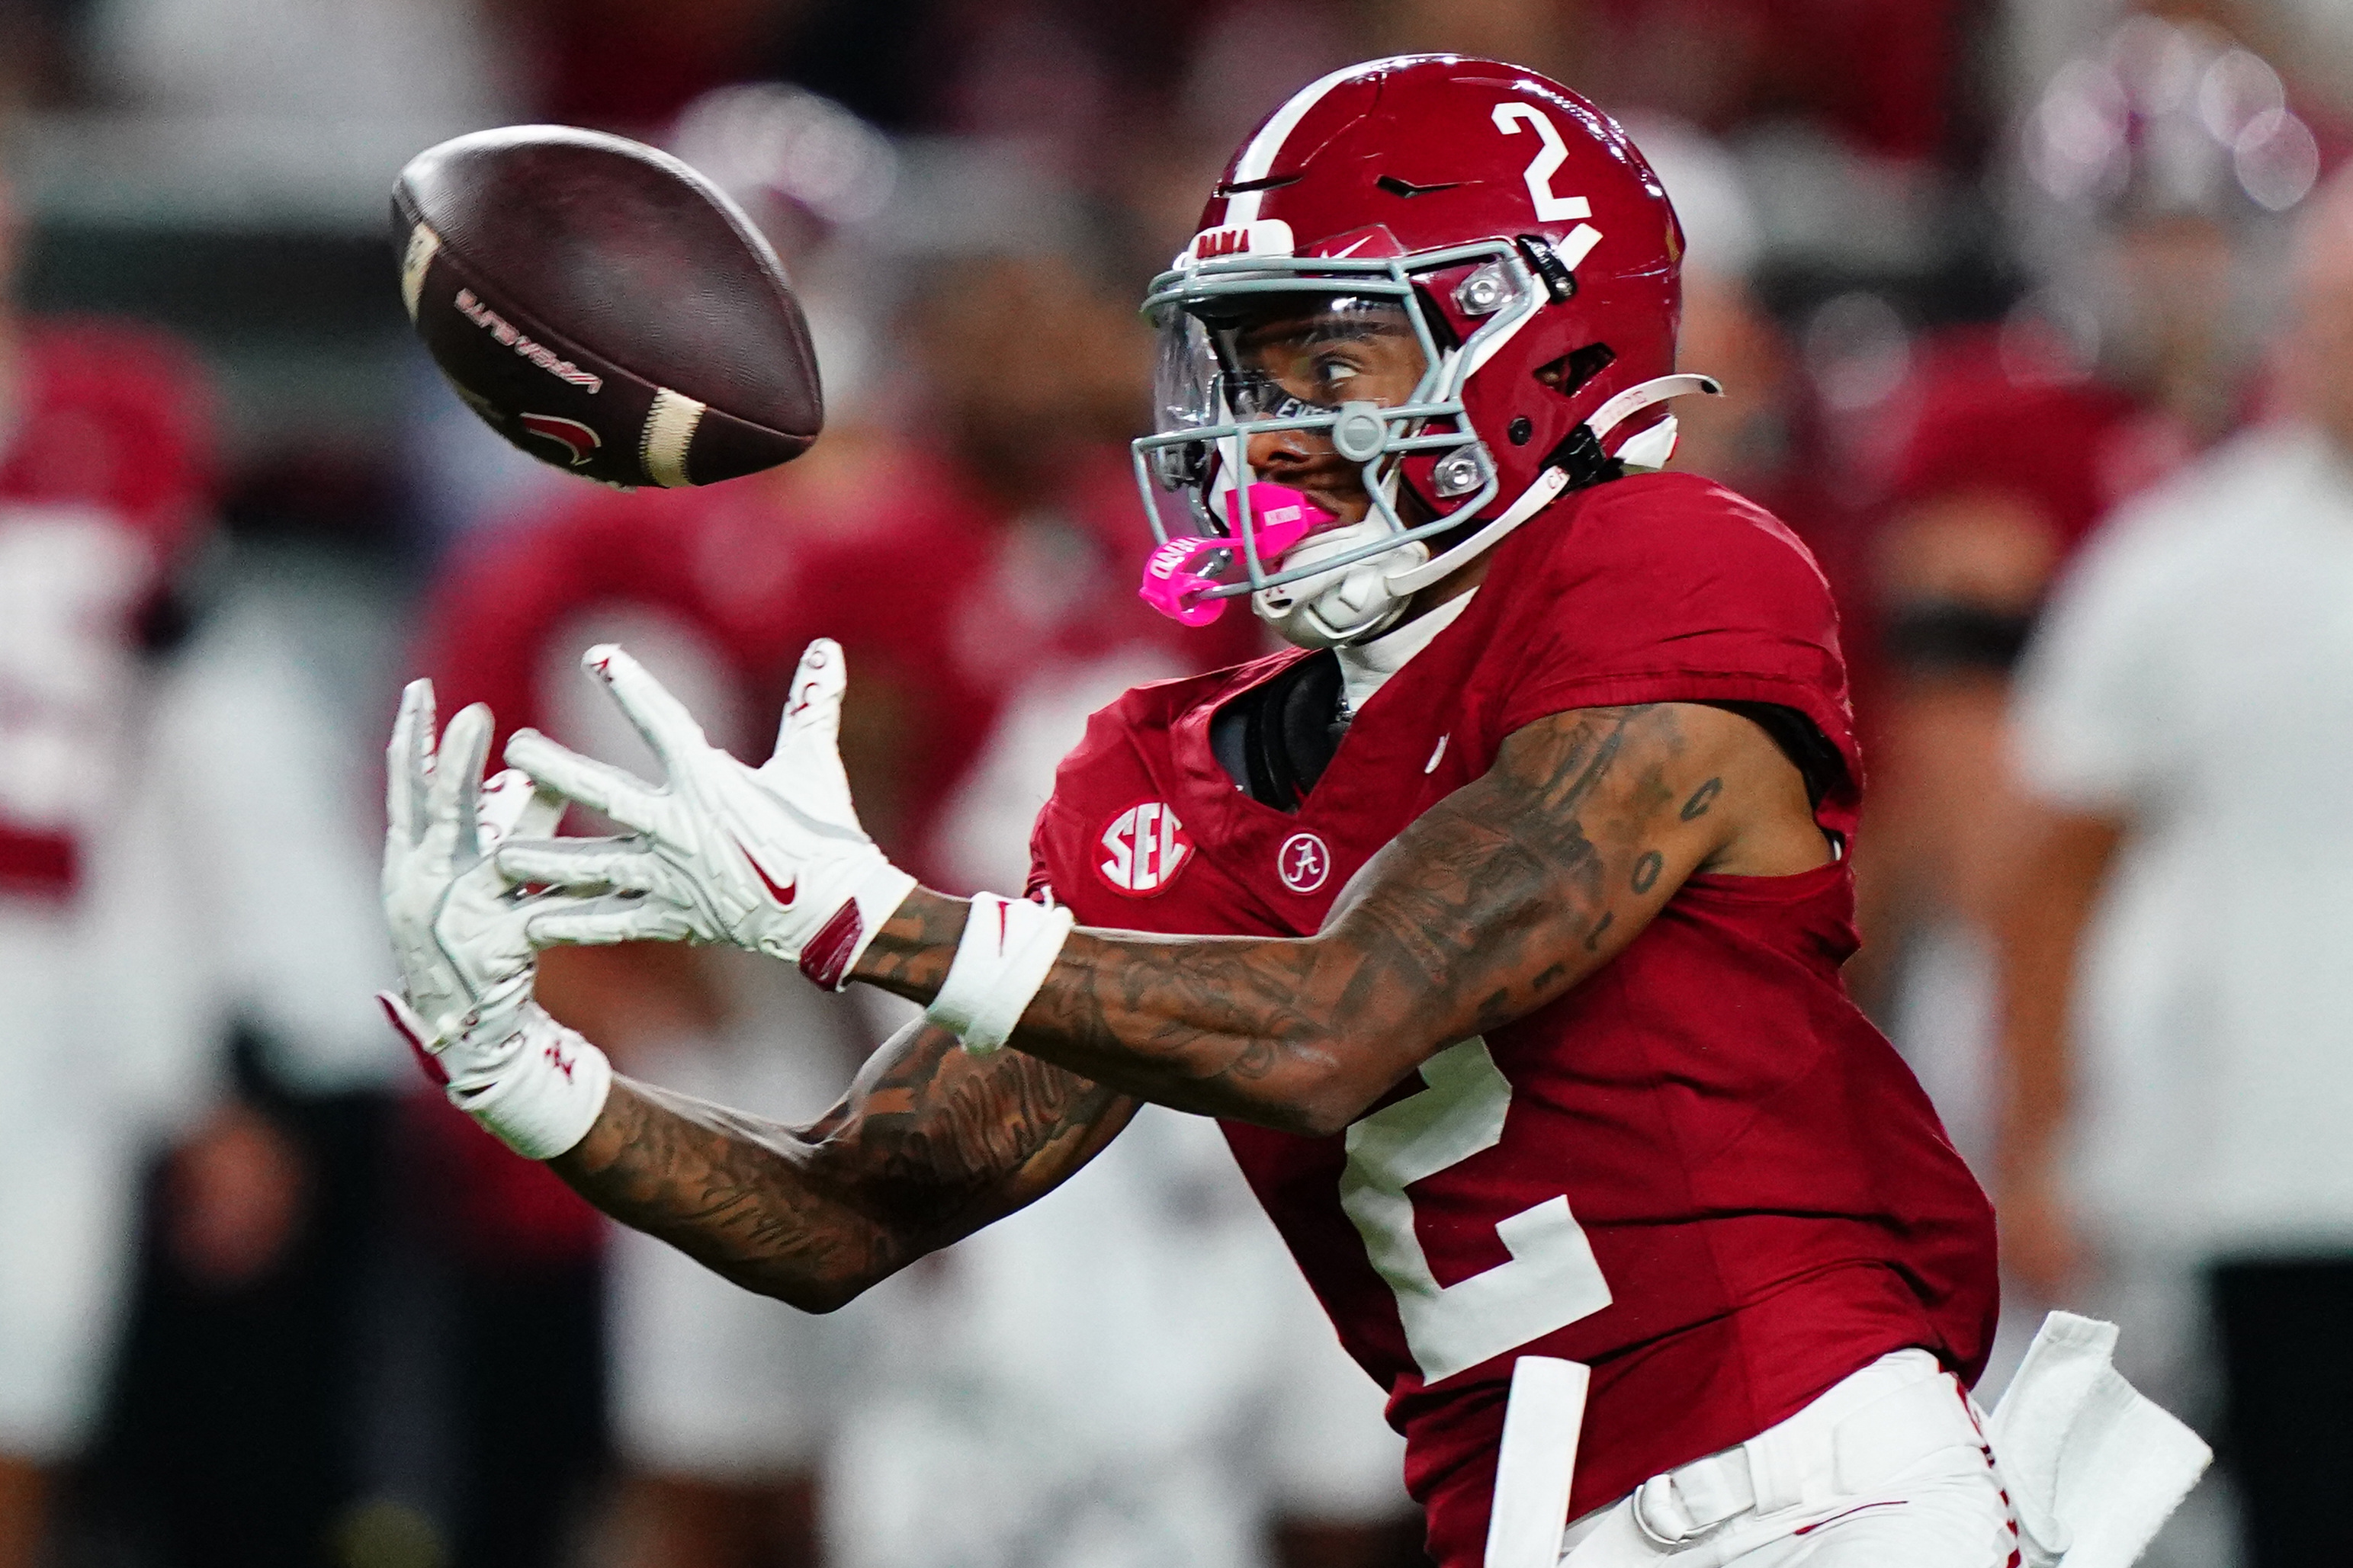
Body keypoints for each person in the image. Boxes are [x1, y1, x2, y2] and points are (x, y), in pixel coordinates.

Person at [380, 58, 2018, 1567]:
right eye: (1244, 358)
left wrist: (872, 921)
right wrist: (518, 1070)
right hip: (1543, 1525)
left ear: (1543, 344)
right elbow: (846, 1211)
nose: (1266, 427)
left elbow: (1344, 1025)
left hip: (1815, 1491)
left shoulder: (1663, 574)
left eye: (1331, 352)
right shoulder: (1183, 772)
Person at [1996, 166, 2353, 1568]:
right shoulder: (2180, 562)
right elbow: (2048, 870)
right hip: (2272, 1170)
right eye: (2323, 312)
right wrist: (2035, 1143)